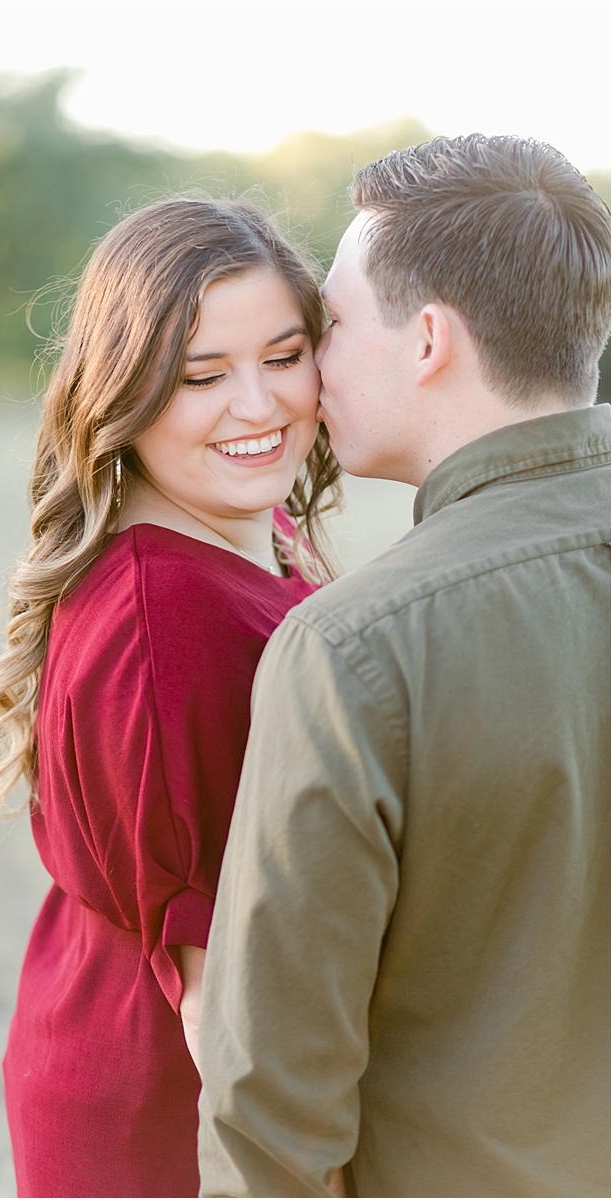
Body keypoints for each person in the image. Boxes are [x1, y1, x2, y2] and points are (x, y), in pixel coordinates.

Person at [197, 135, 611, 1198]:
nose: (314, 366)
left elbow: (273, 1106)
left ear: (427, 339)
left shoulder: (355, 651)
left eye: (331, 324)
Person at [0, 197, 342, 1198]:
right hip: (175, 1119)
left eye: (285, 354)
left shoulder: (225, 537)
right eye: (202, 376)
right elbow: (217, 993)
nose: (257, 407)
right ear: (125, 390)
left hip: (112, 1047)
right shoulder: (165, 614)